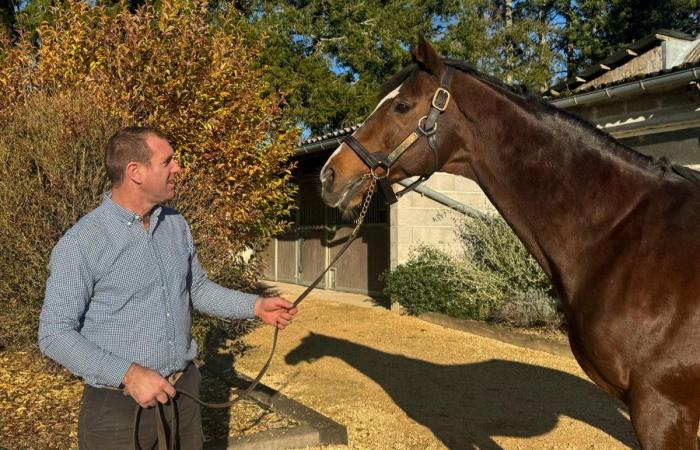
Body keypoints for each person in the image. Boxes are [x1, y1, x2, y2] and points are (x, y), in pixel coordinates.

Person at [38, 126, 297, 449]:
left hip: (183, 396)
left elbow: (197, 289)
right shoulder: (81, 243)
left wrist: (255, 306)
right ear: (135, 172)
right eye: (168, 162)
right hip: (117, 412)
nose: (178, 168)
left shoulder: (175, 224)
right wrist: (128, 374)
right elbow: (54, 333)